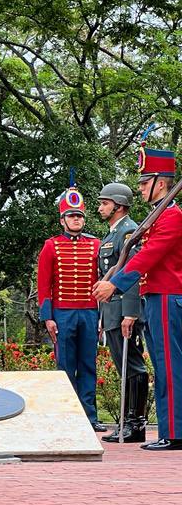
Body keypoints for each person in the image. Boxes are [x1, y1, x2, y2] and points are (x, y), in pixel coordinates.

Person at [93, 144, 182, 450]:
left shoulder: (171, 217)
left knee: (170, 366)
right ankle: (171, 430)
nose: (141, 188)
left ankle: (176, 433)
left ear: (161, 183)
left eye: (145, 182)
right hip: (156, 297)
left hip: (169, 296)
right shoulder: (157, 218)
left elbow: (149, 258)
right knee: (162, 364)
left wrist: (114, 285)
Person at [36, 177, 103, 431]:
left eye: (79, 216)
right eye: (71, 216)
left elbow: (101, 281)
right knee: (64, 365)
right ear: (62, 220)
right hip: (62, 313)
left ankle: (90, 417)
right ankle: (68, 415)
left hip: (89, 312)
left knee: (88, 364)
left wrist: (101, 317)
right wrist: (48, 317)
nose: (76, 220)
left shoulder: (96, 245)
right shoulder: (51, 246)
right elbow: (44, 285)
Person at [95, 182, 147, 443]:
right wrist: (104, 317)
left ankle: (136, 424)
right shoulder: (112, 235)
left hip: (124, 310)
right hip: (111, 311)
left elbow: (133, 275)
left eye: (105, 203)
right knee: (122, 366)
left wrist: (130, 313)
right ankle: (128, 422)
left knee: (133, 365)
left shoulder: (129, 233)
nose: (100, 207)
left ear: (119, 205)